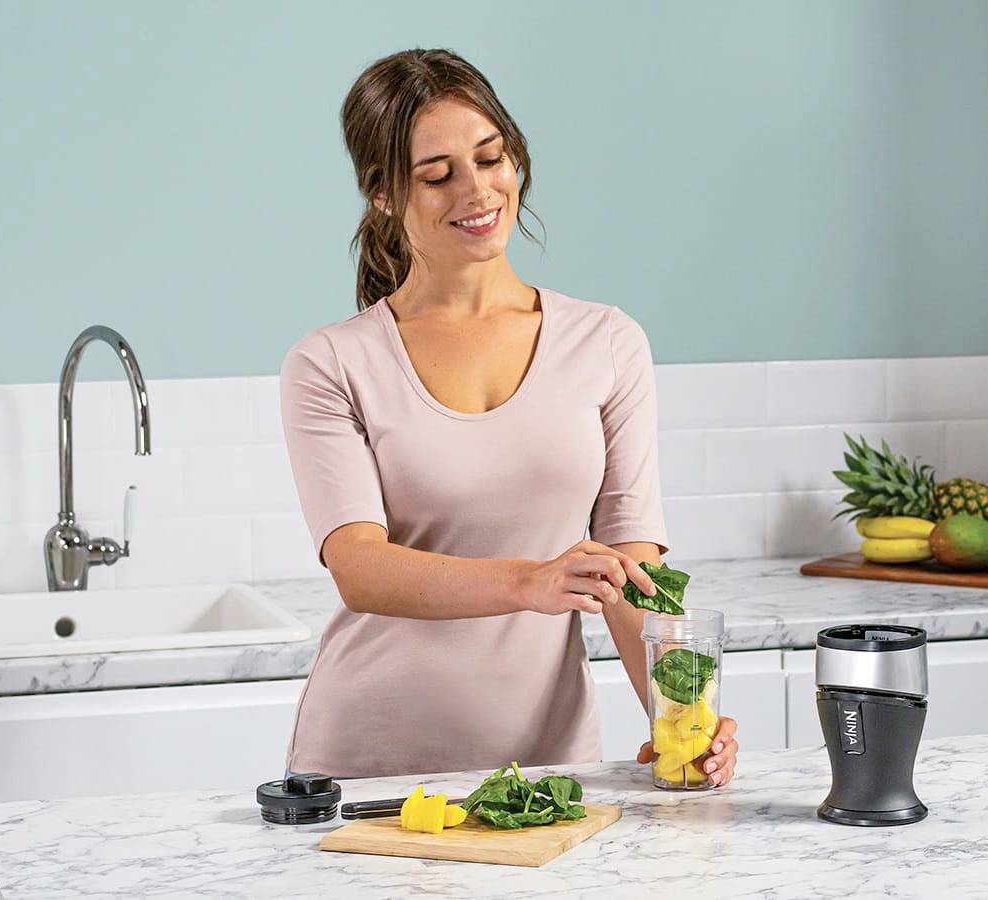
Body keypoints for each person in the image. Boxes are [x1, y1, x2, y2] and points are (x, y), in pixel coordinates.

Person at [278, 48, 740, 786]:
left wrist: (679, 715)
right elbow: (359, 568)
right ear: (384, 195)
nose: (477, 190)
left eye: (491, 158)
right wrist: (529, 582)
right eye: (437, 175)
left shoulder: (607, 343)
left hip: (546, 769)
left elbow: (636, 572)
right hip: (371, 766)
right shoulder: (332, 363)